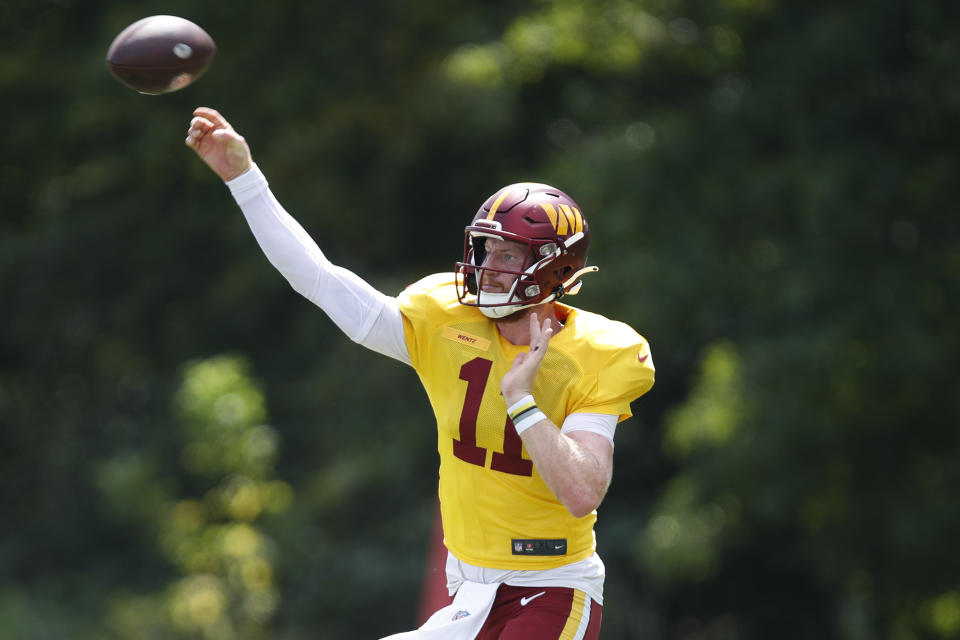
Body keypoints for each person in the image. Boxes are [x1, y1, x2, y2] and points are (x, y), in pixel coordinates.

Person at [185, 107, 655, 640]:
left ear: (553, 267)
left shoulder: (599, 351)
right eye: (488, 248)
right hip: (470, 593)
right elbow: (319, 280)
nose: (488, 265)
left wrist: (522, 401)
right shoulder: (445, 321)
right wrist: (245, 181)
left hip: (552, 587)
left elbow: (583, 491)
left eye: (507, 254)